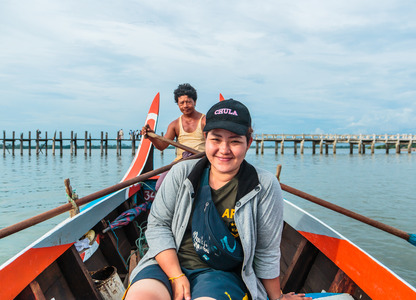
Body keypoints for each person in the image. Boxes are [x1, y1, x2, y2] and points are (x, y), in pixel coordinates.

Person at [125, 99, 311, 300]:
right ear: (206, 139)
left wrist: (278, 297)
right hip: (167, 264)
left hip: (220, 273)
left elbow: (266, 251)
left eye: (235, 141)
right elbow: (158, 226)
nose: (224, 149)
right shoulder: (181, 173)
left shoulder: (263, 185)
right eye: (216, 139)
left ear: (248, 143)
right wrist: (177, 276)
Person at [142, 83, 206, 161]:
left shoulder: (204, 121)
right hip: (181, 162)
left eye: (188, 102)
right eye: (181, 103)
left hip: (201, 161)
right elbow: (162, 146)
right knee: (165, 174)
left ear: (194, 102)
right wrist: (151, 137)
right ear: (178, 104)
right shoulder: (174, 125)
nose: (185, 106)